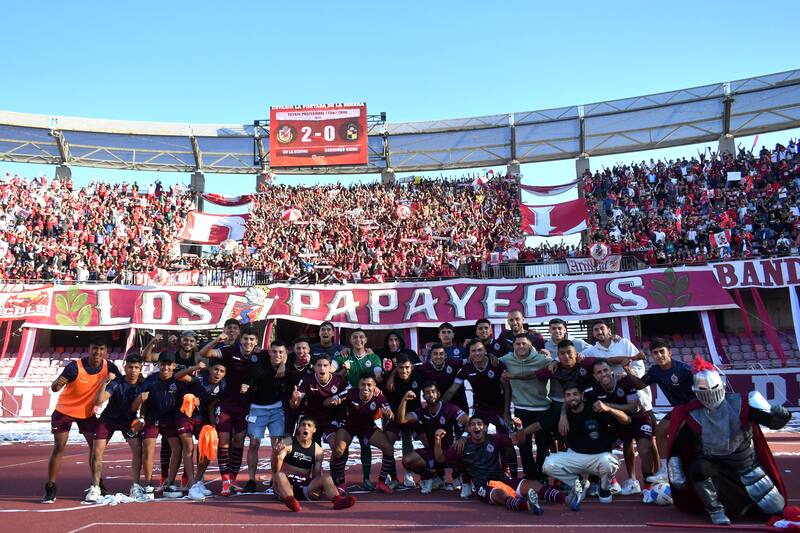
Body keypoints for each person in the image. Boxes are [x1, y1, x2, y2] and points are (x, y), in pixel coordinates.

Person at [667, 357, 790, 525]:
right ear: (696, 391)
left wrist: (781, 416)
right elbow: (679, 446)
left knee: (776, 509)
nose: (710, 393)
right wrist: (676, 473)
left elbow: (772, 422)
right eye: (704, 389)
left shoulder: (743, 402)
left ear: (722, 385)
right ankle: (715, 509)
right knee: (698, 467)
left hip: (747, 466)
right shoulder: (692, 414)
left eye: (713, 387)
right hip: (716, 467)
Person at [44, 335, 122, 504]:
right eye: (95, 348)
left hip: (87, 413)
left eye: (101, 349)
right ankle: (50, 486)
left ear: (106, 351)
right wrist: (57, 384)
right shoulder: (74, 367)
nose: (98, 352)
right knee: (59, 447)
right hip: (65, 410)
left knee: (95, 449)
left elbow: (123, 385)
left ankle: (97, 483)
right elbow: (55, 387)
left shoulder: (110, 367)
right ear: (89, 349)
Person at [435, 415, 565, 514]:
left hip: (502, 478)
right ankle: (529, 505)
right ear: (469, 429)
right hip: (483, 485)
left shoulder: (494, 439)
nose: (476, 427)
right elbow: (440, 458)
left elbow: (518, 440)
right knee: (501, 495)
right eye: (473, 425)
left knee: (534, 484)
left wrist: (519, 427)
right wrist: (438, 440)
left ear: (485, 428)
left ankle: (567, 499)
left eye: (479, 424)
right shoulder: (462, 446)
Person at [583, 319, 654, 496]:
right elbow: (577, 356)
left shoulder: (623, 343)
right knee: (625, 442)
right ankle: (629, 480)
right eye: (596, 330)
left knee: (649, 443)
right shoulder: (591, 350)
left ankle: (654, 480)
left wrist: (627, 373)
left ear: (609, 330)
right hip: (616, 405)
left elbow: (639, 364)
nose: (599, 332)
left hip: (639, 400)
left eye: (602, 328)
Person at [543, 382, 630, 510]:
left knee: (609, 462)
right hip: (576, 456)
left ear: (582, 395)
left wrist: (609, 408)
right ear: (564, 398)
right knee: (548, 464)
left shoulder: (595, 408)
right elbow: (543, 426)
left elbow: (627, 420)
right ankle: (580, 483)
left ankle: (605, 487)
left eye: (575, 394)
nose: (572, 398)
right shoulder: (563, 414)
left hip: (599, 457)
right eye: (568, 395)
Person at [132, 352, 205, 500]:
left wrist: (197, 400)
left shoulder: (179, 379)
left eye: (168, 364)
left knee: (177, 449)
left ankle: (170, 482)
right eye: (162, 364)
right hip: (153, 419)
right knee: (148, 449)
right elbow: (143, 402)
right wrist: (141, 417)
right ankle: (148, 485)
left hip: (171, 420)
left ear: (173, 365)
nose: (165, 367)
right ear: (158, 365)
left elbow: (190, 395)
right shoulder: (150, 380)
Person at [623, 337, 695, 484]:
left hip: (694, 408)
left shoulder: (684, 369)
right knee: (660, 430)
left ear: (669, 352)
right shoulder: (655, 371)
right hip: (679, 409)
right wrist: (628, 371)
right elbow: (640, 385)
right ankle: (665, 470)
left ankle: (689, 469)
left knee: (684, 437)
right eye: (655, 353)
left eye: (662, 352)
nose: (659, 355)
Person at [204, 327, 260, 495]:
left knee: (238, 442)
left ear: (256, 342)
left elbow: (280, 357)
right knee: (224, 442)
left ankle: (233, 479)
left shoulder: (260, 356)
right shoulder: (229, 351)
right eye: (245, 339)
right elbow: (204, 353)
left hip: (245, 407)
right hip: (226, 403)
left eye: (251, 339)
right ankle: (225, 480)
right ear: (240, 340)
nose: (248, 342)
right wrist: (216, 340)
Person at [332, 328, 384, 489]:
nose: (358, 340)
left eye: (361, 337)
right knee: (343, 444)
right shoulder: (344, 355)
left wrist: (379, 378)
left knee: (365, 444)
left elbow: (377, 373)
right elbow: (331, 370)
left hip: (367, 405)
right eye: (355, 337)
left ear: (366, 339)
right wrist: (340, 365)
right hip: (347, 404)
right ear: (351, 341)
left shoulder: (372, 357)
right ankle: (340, 479)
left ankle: (367, 479)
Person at [90, 353, 146, 501]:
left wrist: (142, 420)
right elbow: (98, 401)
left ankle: (135, 485)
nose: (132, 370)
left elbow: (144, 408)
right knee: (97, 452)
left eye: (136, 367)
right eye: (130, 367)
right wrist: (104, 382)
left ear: (140, 369)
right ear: (125, 367)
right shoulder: (116, 382)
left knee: (138, 450)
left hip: (129, 421)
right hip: (109, 420)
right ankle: (95, 487)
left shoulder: (143, 384)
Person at [397, 382, 469, 495]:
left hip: (450, 452)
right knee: (407, 460)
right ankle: (429, 477)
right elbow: (401, 420)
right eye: (427, 393)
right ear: (423, 397)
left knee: (465, 453)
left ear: (438, 394)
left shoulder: (450, 408)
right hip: (433, 452)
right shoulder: (422, 412)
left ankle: (463, 481)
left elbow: (468, 421)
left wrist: (463, 438)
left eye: (433, 392)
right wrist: (404, 400)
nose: (430, 395)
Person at [500, 333, 555, 482]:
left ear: (531, 345)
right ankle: (530, 476)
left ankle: (542, 476)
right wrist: (492, 358)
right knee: (523, 445)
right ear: (513, 346)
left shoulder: (542, 359)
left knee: (543, 446)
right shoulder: (507, 358)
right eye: (518, 344)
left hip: (542, 408)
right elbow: (491, 361)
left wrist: (553, 361)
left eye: (524, 344)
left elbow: (555, 364)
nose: (521, 346)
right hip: (521, 409)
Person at [272, 417, 357, 512]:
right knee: (279, 475)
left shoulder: (318, 450)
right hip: (286, 484)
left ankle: (337, 501)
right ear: (299, 428)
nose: (306, 428)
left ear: (314, 430)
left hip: (304, 486)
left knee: (327, 478)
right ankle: (290, 501)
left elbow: (316, 476)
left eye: (309, 425)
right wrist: (275, 455)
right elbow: (276, 470)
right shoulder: (288, 443)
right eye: (303, 425)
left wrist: (319, 490)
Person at [329, 375, 397, 493]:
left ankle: (381, 482)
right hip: (348, 426)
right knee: (338, 450)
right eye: (363, 385)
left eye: (369, 385)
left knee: (389, 449)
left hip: (367, 427)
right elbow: (328, 401)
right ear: (358, 386)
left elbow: (391, 414)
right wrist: (334, 401)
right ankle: (341, 483)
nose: (366, 388)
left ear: (374, 386)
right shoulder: (350, 393)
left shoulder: (379, 397)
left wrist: (389, 414)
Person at [290, 353, 350, 478]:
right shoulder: (307, 379)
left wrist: (337, 397)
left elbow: (351, 391)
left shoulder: (338, 380)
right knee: (310, 452)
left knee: (338, 450)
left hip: (331, 419)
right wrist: (295, 399)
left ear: (330, 367)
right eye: (319, 365)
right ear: (314, 367)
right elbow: (295, 404)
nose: (322, 368)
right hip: (312, 420)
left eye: (325, 365)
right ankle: (311, 477)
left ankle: (338, 476)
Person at [174, 359, 227, 496]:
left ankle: (198, 481)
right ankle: (191, 485)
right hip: (185, 415)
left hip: (202, 418)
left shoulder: (222, 386)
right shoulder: (198, 379)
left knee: (206, 447)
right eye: (216, 369)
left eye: (221, 371)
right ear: (210, 370)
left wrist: (212, 424)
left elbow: (211, 405)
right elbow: (177, 376)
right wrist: (195, 367)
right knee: (189, 448)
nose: (218, 373)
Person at [243, 340, 288, 493]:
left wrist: (283, 364)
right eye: (274, 352)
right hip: (257, 409)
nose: (277, 355)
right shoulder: (260, 359)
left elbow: (290, 354)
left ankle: (276, 477)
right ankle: (251, 479)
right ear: (269, 352)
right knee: (254, 443)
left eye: (280, 353)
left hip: (277, 410)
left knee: (277, 446)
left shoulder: (286, 364)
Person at [382, 354, 424, 488]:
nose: (404, 371)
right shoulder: (390, 380)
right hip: (393, 415)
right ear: (397, 368)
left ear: (411, 367)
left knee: (408, 442)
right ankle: (390, 474)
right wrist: (387, 411)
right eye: (401, 368)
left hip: (411, 415)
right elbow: (383, 398)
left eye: (407, 367)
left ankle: (408, 474)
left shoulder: (418, 377)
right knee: (387, 443)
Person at [418, 343, 468, 412]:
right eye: (435, 354)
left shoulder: (452, 363)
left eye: (441, 354)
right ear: (431, 355)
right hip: (436, 405)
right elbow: (410, 367)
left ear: (445, 355)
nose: (438, 356)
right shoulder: (423, 367)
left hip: (455, 402)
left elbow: (469, 360)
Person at [284, 337, 314, 437]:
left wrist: (310, 365)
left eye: (304, 348)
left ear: (309, 349)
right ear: (294, 349)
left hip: (307, 406)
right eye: (298, 348)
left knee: (302, 436)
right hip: (288, 404)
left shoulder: (314, 362)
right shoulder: (286, 361)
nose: (301, 351)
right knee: (286, 436)